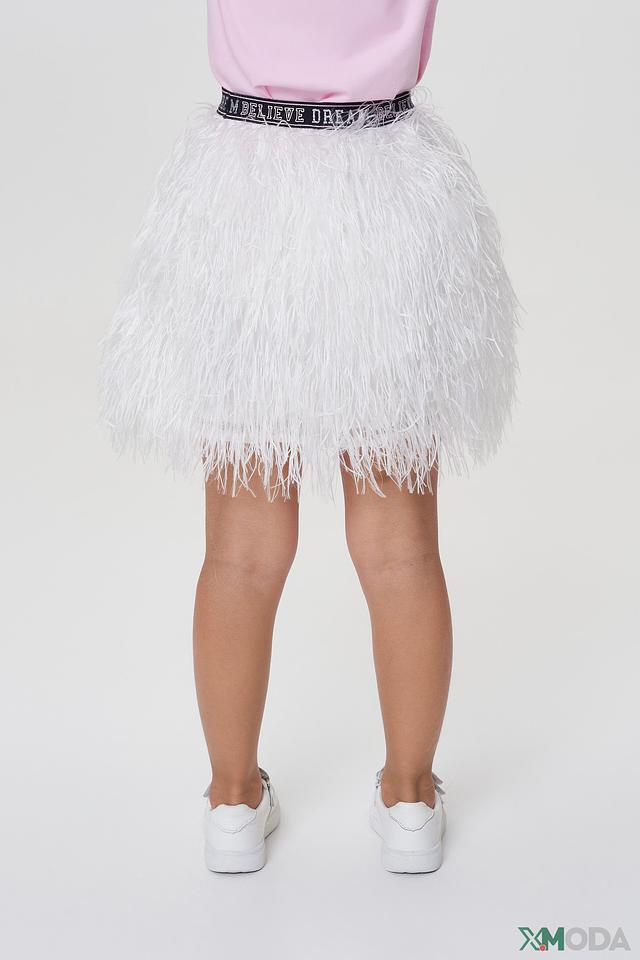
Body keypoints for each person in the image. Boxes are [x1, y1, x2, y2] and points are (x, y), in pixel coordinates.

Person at [99, 0, 519, 874]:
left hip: (246, 194)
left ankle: (231, 802)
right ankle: (410, 800)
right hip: (389, 187)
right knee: (401, 550)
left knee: (241, 552)